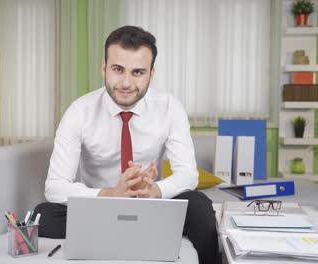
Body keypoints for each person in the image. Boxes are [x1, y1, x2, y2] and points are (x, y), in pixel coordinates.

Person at [34, 25, 218, 264]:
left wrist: (155, 191)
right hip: (98, 208)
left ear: (151, 74)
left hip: (151, 206)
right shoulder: (79, 111)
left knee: (200, 208)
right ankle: (135, 232)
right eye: (118, 69)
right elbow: (55, 187)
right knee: (42, 215)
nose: (126, 82)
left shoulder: (170, 108)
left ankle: (127, 231)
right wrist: (110, 194)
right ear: (104, 68)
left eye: (138, 72)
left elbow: (188, 176)